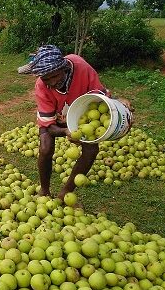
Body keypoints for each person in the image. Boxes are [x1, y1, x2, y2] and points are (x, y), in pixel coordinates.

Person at [18, 44, 132, 201]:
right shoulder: (42, 85)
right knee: (45, 147)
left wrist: (118, 103)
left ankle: (66, 192)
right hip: (55, 117)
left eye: (54, 76)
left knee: (91, 151)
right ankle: (44, 190)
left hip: (81, 115)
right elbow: (49, 126)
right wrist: (65, 131)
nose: (51, 82)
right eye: (46, 78)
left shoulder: (81, 68)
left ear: (63, 68)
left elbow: (99, 100)